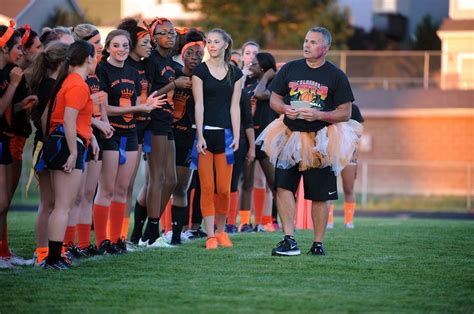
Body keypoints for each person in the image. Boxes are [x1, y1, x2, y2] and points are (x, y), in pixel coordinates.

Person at [257, 27, 362, 256]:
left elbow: (345, 112)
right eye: (306, 40)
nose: (306, 45)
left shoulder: (335, 75)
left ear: (325, 48)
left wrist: (320, 115)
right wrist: (284, 108)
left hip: (321, 138)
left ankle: (318, 243)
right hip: (290, 134)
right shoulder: (292, 68)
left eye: (313, 42)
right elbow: (274, 98)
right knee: (283, 187)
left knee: (319, 194)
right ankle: (289, 239)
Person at [93, 29, 165, 254]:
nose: (121, 49)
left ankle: (117, 240)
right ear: (107, 48)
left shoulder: (134, 72)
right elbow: (104, 108)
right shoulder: (102, 69)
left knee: (123, 188)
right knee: (106, 189)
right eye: (116, 45)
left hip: (131, 133)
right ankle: (101, 241)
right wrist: (138, 108)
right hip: (110, 134)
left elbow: (137, 104)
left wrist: (146, 106)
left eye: (125, 45)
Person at [41, 40, 99, 269]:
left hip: (66, 142)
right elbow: (68, 120)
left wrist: (90, 137)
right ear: (88, 59)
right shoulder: (77, 84)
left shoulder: (70, 81)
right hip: (68, 145)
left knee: (62, 205)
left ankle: (55, 256)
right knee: (63, 206)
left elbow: (71, 119)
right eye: (95, 56)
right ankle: (54, 258)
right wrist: (74, 152)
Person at [192, 28, 243, 249]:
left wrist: (238, 134)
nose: (211, 45)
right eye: (208, 42)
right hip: (205, 135)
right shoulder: (199, 71)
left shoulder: (236, 73)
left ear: (225, 45)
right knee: (206, 187)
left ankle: (222, 232)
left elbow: (235, 107)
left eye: (216, 42)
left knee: (224, 188)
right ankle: (210, 235)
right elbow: (199, 104)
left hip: (226, 135)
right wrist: (199, 134)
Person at [141, 17, 188, 247]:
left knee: (171, 179)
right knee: (157, 178)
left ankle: (149, 231)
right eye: (164, 33)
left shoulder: (171, 61)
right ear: (153, 37)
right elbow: (149, 95)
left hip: (167, 122)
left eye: (172, 33)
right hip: (154, 122)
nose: (170, 36)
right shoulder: (151, 61)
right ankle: (151, 233)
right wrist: (174, 85)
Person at [67, 24, 113, 258]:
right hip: (80, 135)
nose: (101, 49)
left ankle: (83, 244)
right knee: (73, 197)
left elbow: (100, 102)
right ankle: (66, 245)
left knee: (87, 194)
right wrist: (97, 125)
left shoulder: (96, 73)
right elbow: (74, 111)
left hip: (95, 136)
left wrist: (103, 121)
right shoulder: (74, 76)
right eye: (96, 44)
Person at [0, 21, 38, 269]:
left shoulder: (8, 72)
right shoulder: (10, 76)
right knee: (2, 202)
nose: (22, 52)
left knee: (3, 202)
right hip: (5, 138)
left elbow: (5, 111)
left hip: (4, 138)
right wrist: (13, 86)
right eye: (18, 48)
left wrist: (20, 106)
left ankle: (3, 253)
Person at [29, 41, 69, 266]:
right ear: (63, 63)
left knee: (53, 202)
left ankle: (52, 250)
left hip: (49, 145)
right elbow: (45, 118)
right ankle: (42, 251)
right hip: (46, 146)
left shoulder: (52, 83)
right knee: (48, 203)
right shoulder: (50, 85)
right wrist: (50, 141)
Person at [166, 30, 205, 244]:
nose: (195, 57)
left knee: (181, 186)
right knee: (162, 183)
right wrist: (175, 84)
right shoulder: (172, 72)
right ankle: (147, 232)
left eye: (199, 54)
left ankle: (176, 235)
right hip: (167, 134)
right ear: (182, 54)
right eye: (190, 53)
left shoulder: (203, 78)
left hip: (188, 137)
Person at [117, 18, 152, 248]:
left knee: (128, 185)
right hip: (121, 128)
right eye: (145, 41)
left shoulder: (144, 65)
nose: (149, 46)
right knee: (120, 186)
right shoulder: (122, 66)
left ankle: (122, 236)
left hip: (139, 129)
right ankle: (114, 235)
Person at [238, 52, 278, 233]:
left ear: (262, 67)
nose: (250, 66)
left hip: (266, 139)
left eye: (254, 64)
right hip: (248, 138)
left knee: (274, 183)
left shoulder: (274, 86)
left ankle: (274, 221)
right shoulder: (247, 84)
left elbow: (260, 93)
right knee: (246, 182)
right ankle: (244, 222)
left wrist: (269, 75)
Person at [327, 103, 364, 229]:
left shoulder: (354, 108)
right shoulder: (329, 105)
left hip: (349, 155)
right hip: (331, 154)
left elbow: (358, 134)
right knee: (329, 189)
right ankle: (328, 220)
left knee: (349, 188)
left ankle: (348, 221)